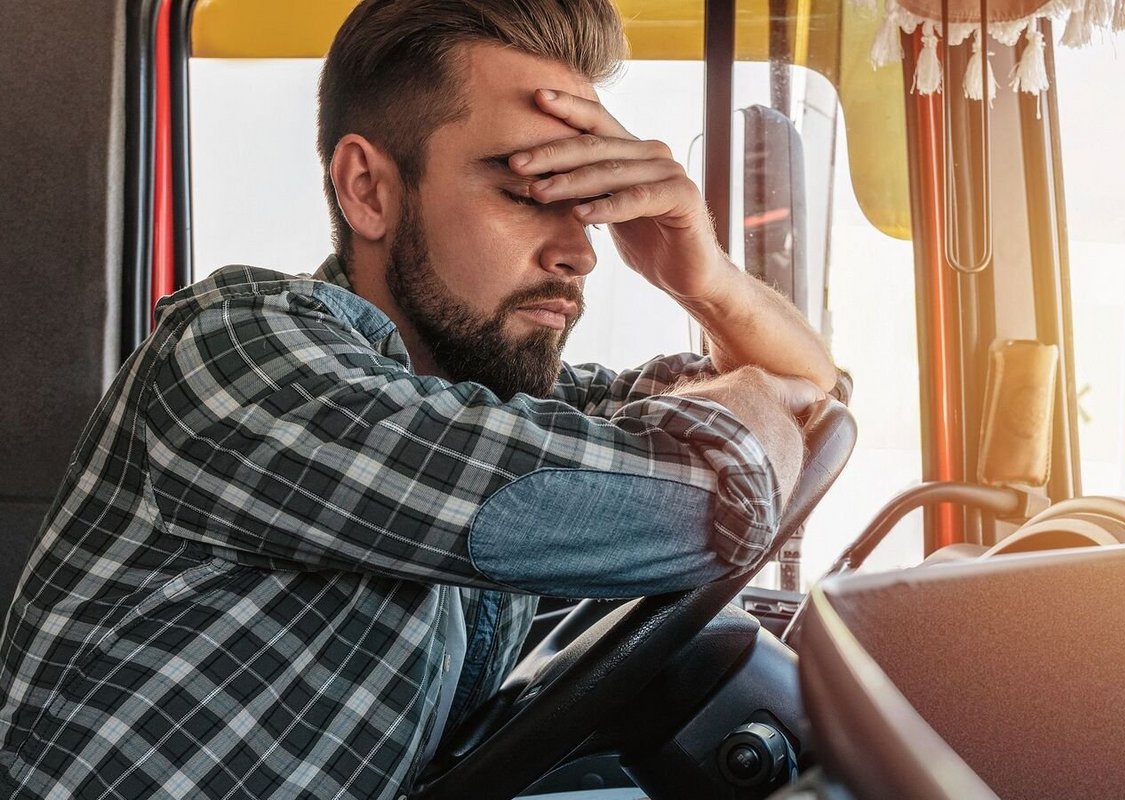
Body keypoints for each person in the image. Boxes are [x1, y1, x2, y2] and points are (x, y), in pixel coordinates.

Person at [0, 0, 841, 797]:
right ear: (368, 189)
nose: (582, 252)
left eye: (590, 201)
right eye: (529, 191)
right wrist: (746, 418)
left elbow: (812, 404)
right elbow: (695, 501)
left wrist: (706, 279)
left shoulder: (480, 398)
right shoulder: (238, 355)